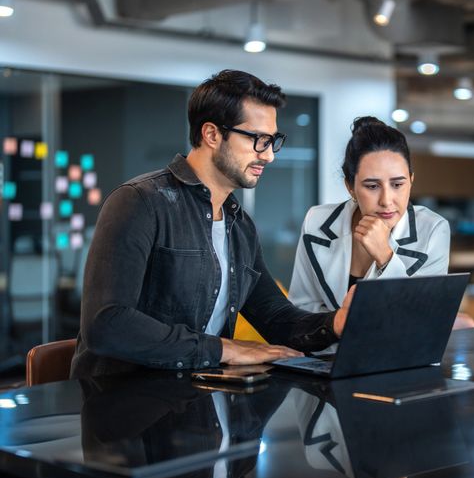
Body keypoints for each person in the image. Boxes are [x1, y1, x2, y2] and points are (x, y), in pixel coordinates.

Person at [70, 70, 351, 379]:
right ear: (212, 135)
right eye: (258, 140)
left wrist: (336, 323)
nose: (269, 156)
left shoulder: (239, 226)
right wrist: (223, 349)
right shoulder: (140, 202)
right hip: (125, 406)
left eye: (272, 141)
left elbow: (276, 318)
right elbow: (107, 323)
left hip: (203, 404)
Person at [288, 116, 449, 313]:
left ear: (411, 180)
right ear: (350, 187)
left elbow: (423, 316)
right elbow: (301, 308)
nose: (387, 200)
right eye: (372, 186)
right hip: (327, 343)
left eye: (398, 185)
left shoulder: (433, 229)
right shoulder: (317, 221)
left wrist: (385, 256)